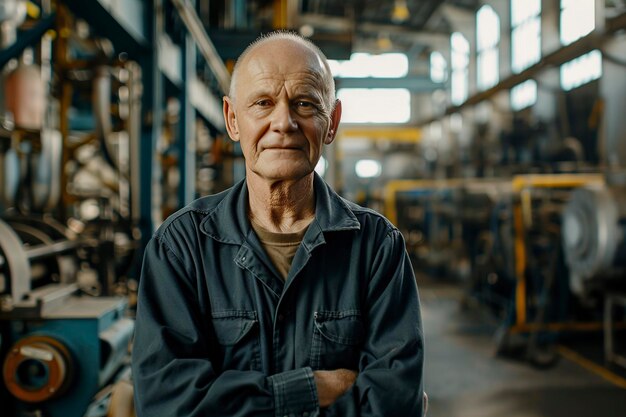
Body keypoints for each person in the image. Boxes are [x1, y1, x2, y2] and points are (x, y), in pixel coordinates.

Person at [131, 31, 425, 417]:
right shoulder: (182, 246)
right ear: (233, 120)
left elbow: (394, 402)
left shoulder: (377, 247)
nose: (283, 122)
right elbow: (168, 404)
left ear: (331, 122)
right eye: (263, 103)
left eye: (304, 104)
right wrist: (310, 389)